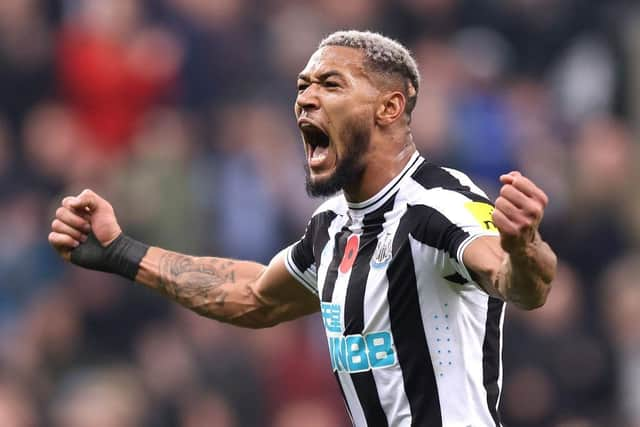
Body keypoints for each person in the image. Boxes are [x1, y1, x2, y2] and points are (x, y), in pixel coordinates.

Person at [49, 30, 557, 427]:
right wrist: (122, 252)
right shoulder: (331, 226)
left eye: (330, 84)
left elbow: (517, 281)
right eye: (302, 87)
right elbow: (254, 296)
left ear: (390, 107)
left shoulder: (439, 203)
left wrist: (524, 245)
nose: (306, 100)